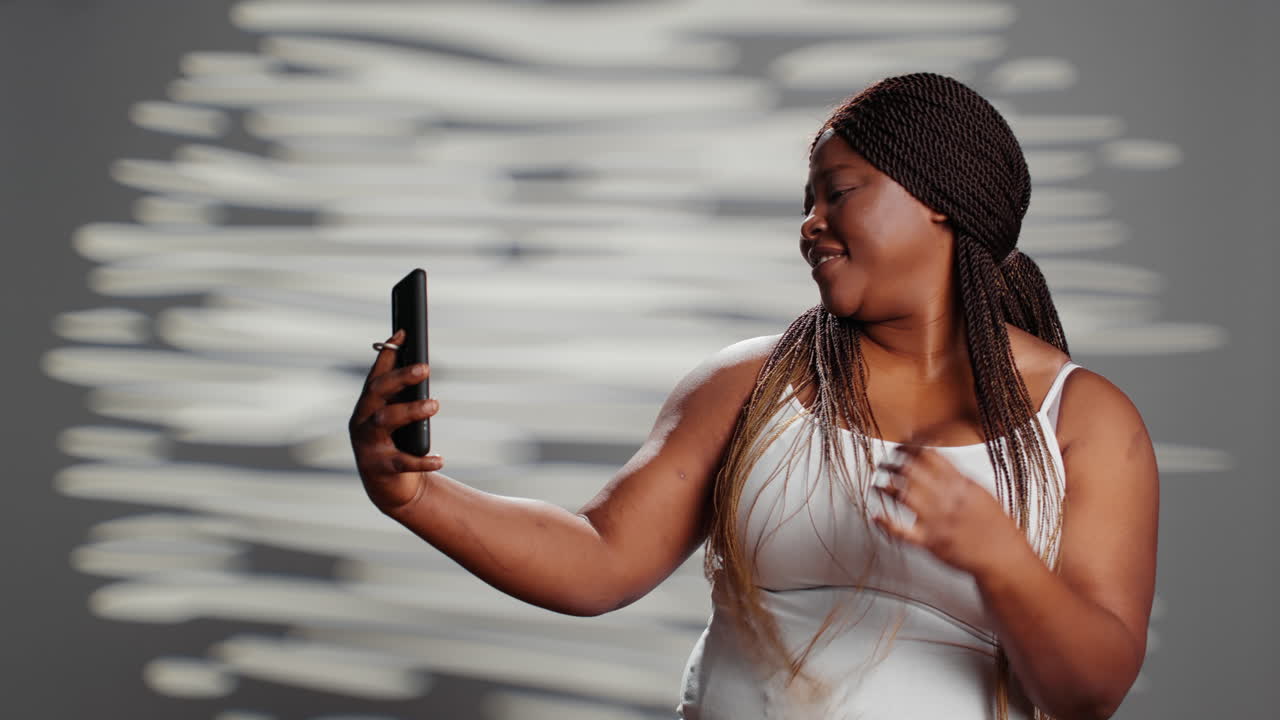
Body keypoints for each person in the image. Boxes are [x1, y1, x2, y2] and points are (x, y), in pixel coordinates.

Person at [348, 72, 1158, 720]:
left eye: (837, 192)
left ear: (938, 196)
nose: (810, 223)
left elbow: (1089, 693)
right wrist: (415, 495)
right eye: (805, 201)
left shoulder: (1083, 421)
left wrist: (998, 558)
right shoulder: (750, 384)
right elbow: (599, 559)